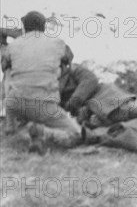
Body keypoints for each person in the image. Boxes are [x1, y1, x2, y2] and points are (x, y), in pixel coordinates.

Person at [1, 11, 81, 153]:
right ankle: (43, 132)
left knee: (9, 72)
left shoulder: (13, 46)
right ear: (44, 27)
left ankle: (11, 127)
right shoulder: (57, 42)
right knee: (75, 134)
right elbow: (68, 58)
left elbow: (4, 66)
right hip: (43, 105)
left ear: (24, 27)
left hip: (15, 104)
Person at [58, 63, 137, 152]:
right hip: (89, 114)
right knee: (119, 126)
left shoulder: (74, 69)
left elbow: (90, 80)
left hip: (101, 94)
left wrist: (73, 103)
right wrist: (77, 113)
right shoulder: (49, 83)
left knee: (125, 107)